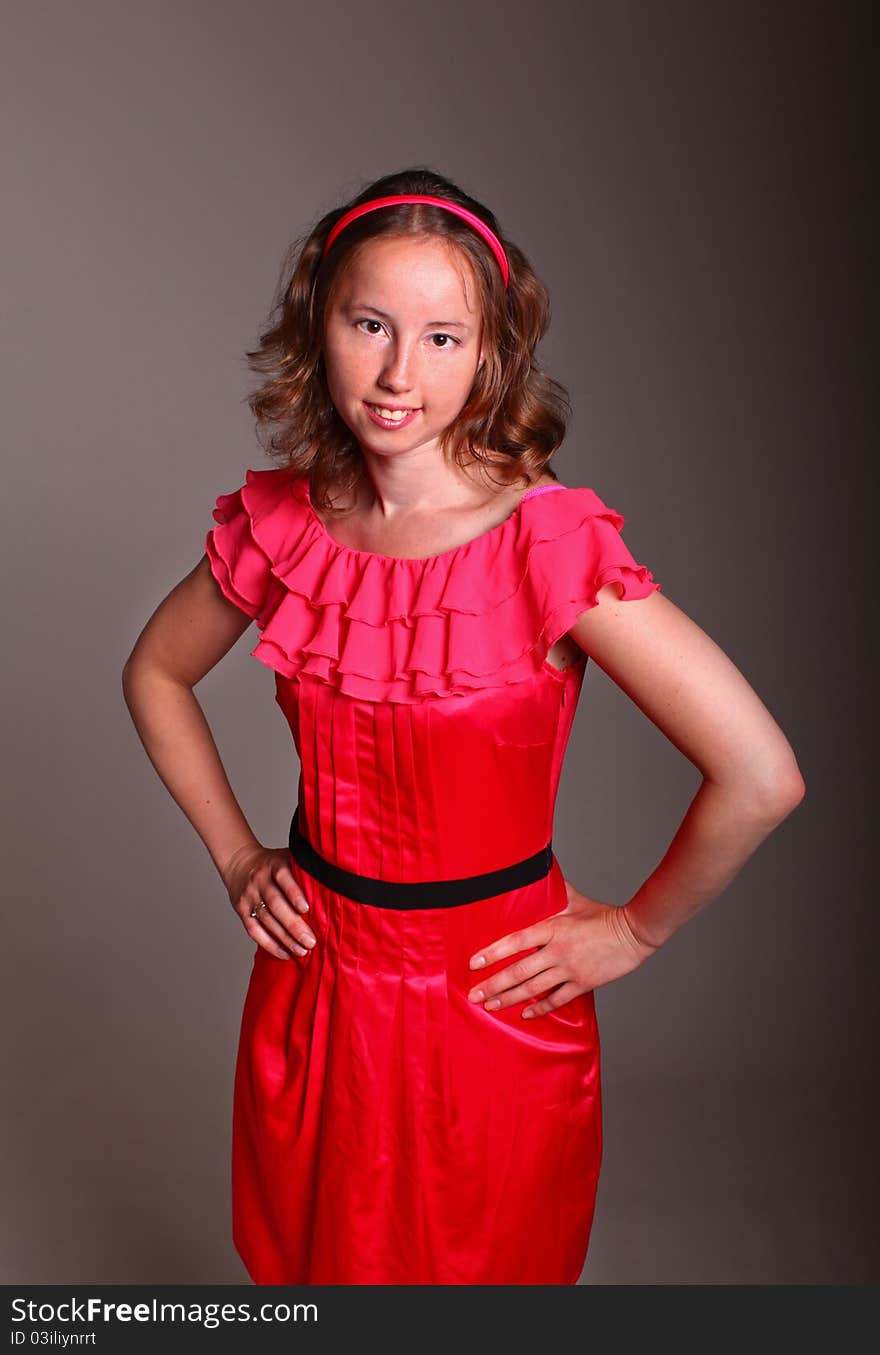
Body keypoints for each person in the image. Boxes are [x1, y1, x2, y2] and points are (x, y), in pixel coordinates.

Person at [121, 166, 806, 1286]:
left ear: (491, 354)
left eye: (443, 337)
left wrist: (632, 931)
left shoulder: (550, 542)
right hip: (319, 982)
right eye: (371, 324)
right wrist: (240, 854)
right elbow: (154, 670)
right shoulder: (282, 521)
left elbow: (760, 772)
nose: (400, 372)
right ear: (319, 324)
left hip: (488, 999)